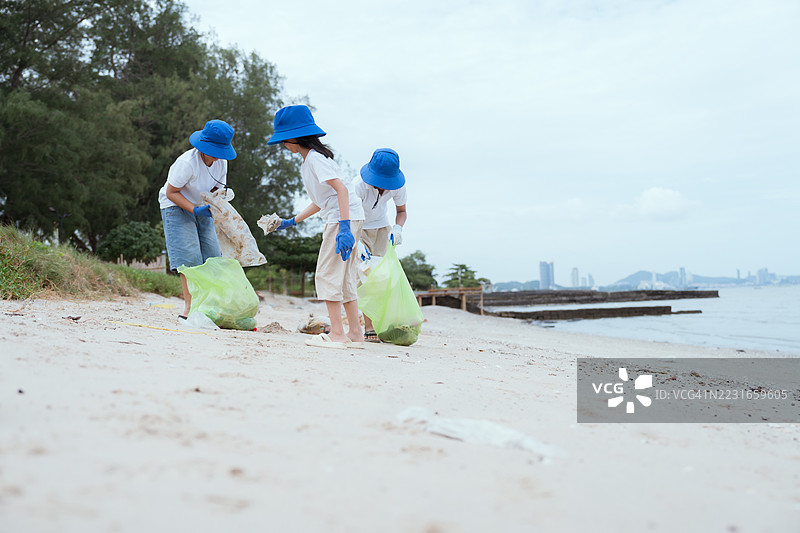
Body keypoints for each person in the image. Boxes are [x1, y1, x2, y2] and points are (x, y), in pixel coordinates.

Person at [267, 105, 366, 346]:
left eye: (283, 140)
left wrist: (343, 227)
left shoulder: (314, 160)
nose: (283, 145)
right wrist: (290, 221)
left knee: (327, 274)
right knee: (344, 278)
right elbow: (321, 201)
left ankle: (337, 335)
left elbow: (341, 190)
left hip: (342, 219)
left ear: (293, 138)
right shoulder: (314, 159)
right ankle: (355, 332)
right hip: (350, 216)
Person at [157, 119, 236, 319]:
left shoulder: (221, 162)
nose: (218, 156)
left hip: (203, 206)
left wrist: (219, 201)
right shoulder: (187, 163)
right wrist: (194, 209)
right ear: (203, 146)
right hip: (175, 205)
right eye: (214, 151)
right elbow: (171, 192)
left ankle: (209, 306)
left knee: (212, 256)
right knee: (189, 257)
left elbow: (217, 187)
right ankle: (190, 308)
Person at [354, 148, 407, 341]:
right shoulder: (358, 186)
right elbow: (348, 217)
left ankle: (384, 323)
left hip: (382, 229)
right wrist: (357, 242)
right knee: (365, 277)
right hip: (358, 228)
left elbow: (401, 211)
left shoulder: (398, 185)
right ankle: (369, 328)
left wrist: (398, 228)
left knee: (384, 276)